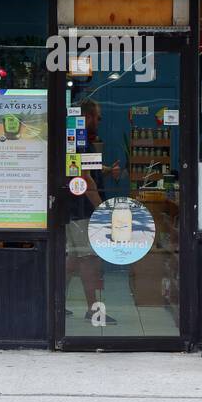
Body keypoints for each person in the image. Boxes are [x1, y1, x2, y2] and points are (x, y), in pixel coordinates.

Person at [65, 99, 118, 326]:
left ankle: (53, 302)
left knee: (74, 259)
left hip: (74, 210)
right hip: (82, 210)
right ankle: (93, 310)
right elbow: (85, 179)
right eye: (98, 116)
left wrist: (106, 170)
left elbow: (85, 167)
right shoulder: (78, 140)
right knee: (88, 261)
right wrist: (103, 211)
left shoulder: (79, 138)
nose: (100, 120)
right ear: (87, 117)